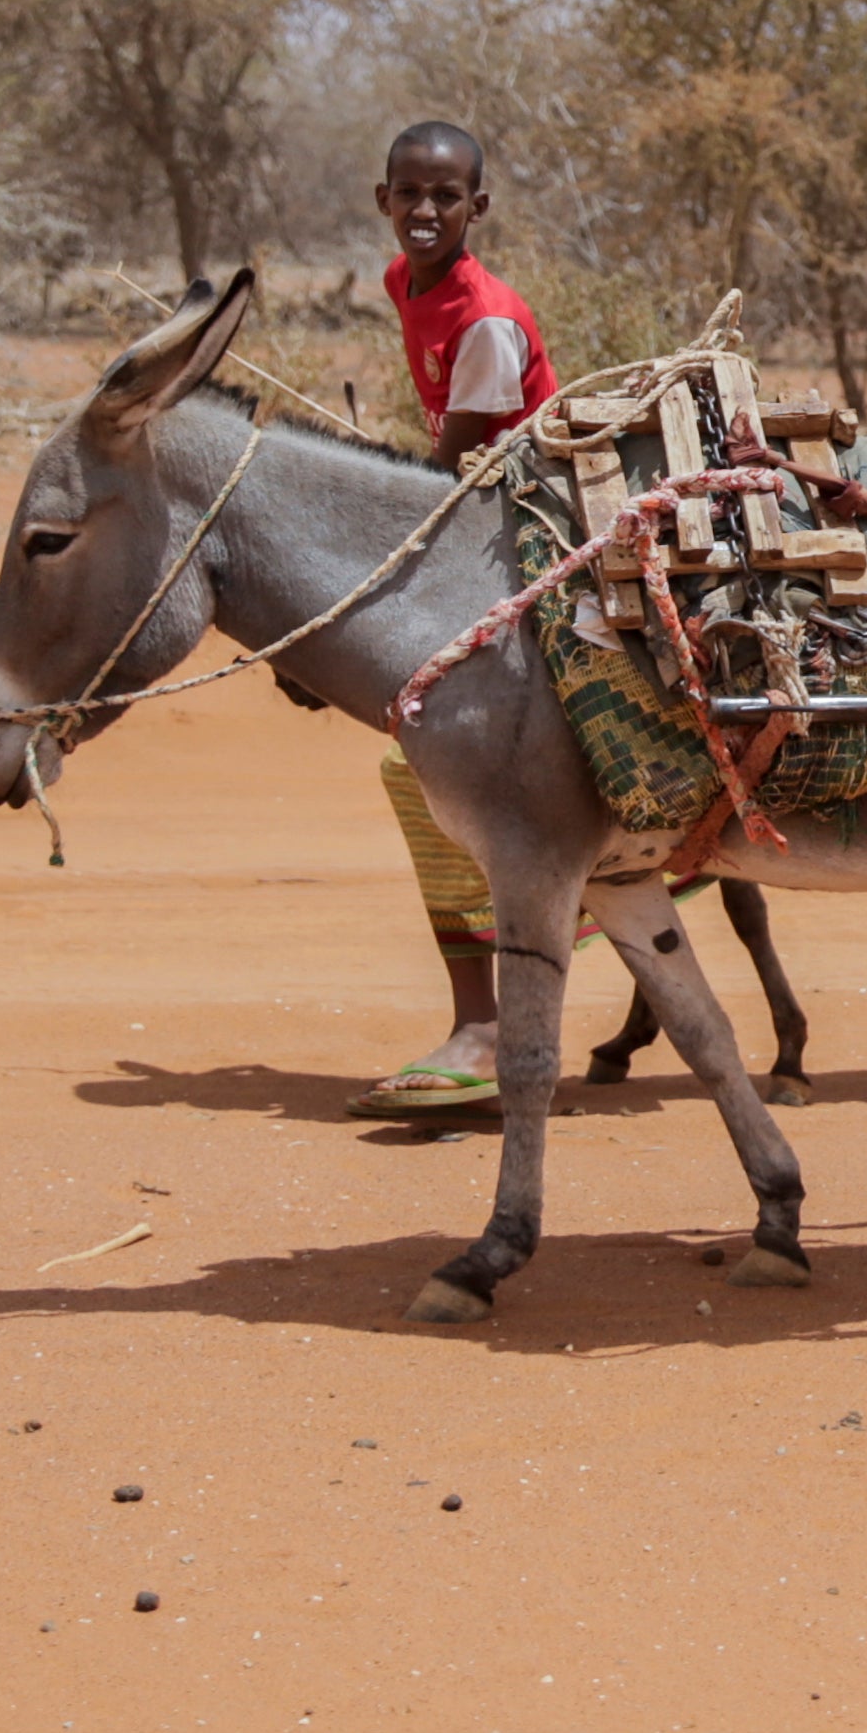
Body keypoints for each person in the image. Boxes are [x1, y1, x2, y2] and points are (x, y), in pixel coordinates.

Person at [350, 121, 573, 1121]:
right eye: (409, 193)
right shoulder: (406, 283)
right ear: (383, 198)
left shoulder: (484, 318)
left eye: (446, 196)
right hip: (478, 517)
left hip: (526, 534)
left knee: (426, 755)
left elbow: (456, 463)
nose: (426, 210)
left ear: (477, 208)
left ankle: (485, 1021)